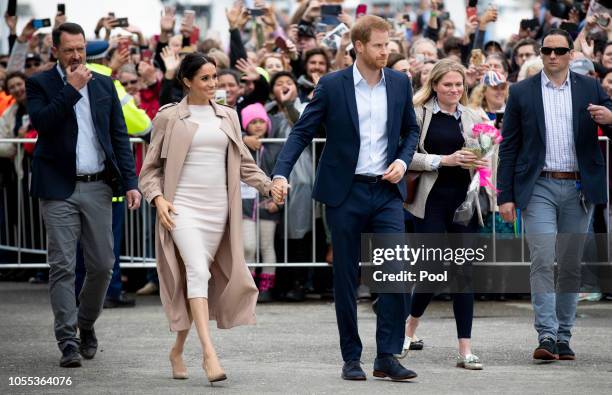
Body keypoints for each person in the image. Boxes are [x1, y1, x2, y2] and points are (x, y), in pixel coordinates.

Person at [272, 15, 420, 382]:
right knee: (346, 278)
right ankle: (351, 357)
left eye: (389, 45)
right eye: (379, 46)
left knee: (396, 274)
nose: (386, 51)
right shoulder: (332, 85)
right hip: (345, 192)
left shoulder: (400, 83)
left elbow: (410, 130)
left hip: (386, 191)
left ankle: (386, 355)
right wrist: (280, 172)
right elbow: (302, 132)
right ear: (359, 46)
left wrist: (403, 160)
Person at [139, 53, 274, 383]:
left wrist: (270, 186)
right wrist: (158, 199)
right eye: (206, 78)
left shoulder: (228, 115)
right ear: (187, 81)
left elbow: (243, 164)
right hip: (181, 207)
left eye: (215, 77)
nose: (214, 84)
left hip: (218, 211)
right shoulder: (169, 117)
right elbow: (149, 170)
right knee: (197, 271)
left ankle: (177, 349)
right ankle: (209, 355)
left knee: (197, 280)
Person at [25, 22, 141, 368]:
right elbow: (42, 123)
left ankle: (85, 323)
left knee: (103, 265)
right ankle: (67, 339)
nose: (76, 55)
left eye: (80, 49)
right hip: (58, 187)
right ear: (55, 51)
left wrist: (131, 182)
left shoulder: (105, 83)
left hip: (98, 187)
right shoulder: (40, 83)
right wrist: (72, 89)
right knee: (62, 265)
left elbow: (120, 136)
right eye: (69, 50)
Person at [498, 29, 612, 361]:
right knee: (543, 258)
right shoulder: (521, 92)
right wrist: (504, 195)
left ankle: (564, 335)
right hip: (539, 186)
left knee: (572, 264)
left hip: (579, 187)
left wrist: (609, 117)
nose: (552, 56)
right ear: (540, 53)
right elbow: (510, 148)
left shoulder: (590, 87)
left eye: (559, 51)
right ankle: (546, 334)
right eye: (546, 50)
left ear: (569, 55)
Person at [403, 59, 489, 370]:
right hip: (430, 202)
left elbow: (484, 154)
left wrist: (479, 160)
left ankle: (465, 348)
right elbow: (406, 157)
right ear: (435, 85)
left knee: (464, 273)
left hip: (463, 203)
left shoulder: (471, 115)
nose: (454, 90)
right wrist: (445, 160)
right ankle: (411, 324)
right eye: (448, 84)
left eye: (458, 85)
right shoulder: (419, 113)